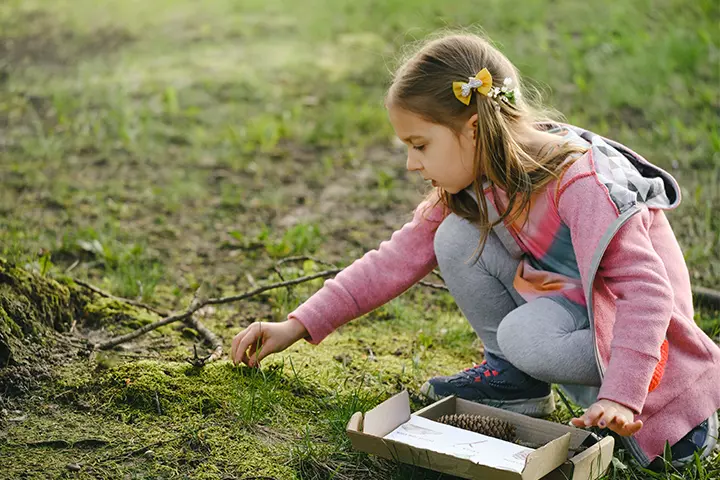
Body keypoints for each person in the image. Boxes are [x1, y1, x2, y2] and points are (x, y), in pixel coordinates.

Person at [230, 33, 720, 469]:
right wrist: (297, 324)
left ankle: (648, 409)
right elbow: (395, 259)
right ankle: (514, 382)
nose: (409, 163)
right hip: (581, 313)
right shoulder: (479, 180)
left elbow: (648, 294)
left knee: (524, 334)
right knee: (455, 236)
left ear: (472, 128)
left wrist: (624, 398)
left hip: (657, 350)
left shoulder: (582, 182)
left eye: (419, 145)